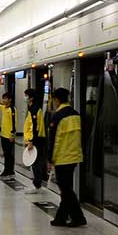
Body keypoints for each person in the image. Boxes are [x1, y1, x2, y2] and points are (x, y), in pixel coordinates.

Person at [47, 87, 86, 227]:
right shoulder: (76, 114)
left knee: (66, 189)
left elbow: (54, 140)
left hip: (62, 158)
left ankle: (78, 218)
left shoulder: (57, 116)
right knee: (66, 188)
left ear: (56, 99)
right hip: (75, 156)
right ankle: (61, 218)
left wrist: (50, 159)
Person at [25, 87, 50, 190]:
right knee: (36, 161)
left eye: (26, 96)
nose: (25, 98)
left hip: (36, 140)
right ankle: (38, 182)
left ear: (31, 98)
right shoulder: (32, 109)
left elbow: (35, 127)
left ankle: (37, 185)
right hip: (36, 139)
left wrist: (31, 141)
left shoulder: (34, 110)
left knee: (35, 162)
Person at [0, 90, 18, 185]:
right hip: (3, 135)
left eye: (5, 98)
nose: (3, 100)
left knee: (9, 154)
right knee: (6, 154)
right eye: (3, 98)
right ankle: (7, 170)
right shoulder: (4, 108)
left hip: (9, 136)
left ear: (10, 100)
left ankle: (9, 171)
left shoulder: (12, 110)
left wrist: (12, 134)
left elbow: (14, 123)